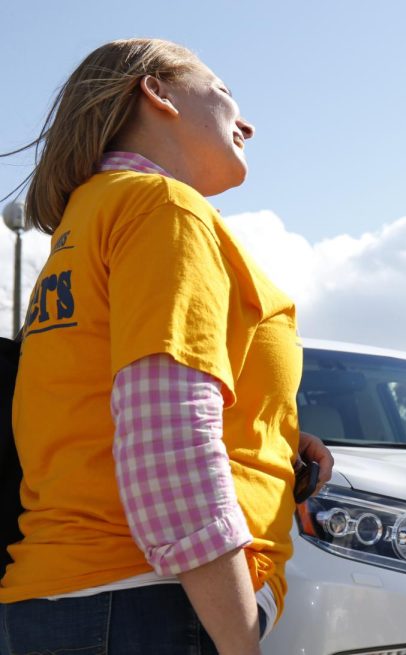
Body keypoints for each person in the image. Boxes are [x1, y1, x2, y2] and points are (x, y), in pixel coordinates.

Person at [0, 39, 333, 655]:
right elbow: (167, 441)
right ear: (156, 92)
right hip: (149, 604)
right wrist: (238, 642)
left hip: (71, 600)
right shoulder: (163, 208)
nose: (249, 122)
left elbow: (92, 408)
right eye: (226, 91)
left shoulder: (90, 218)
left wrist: (271, 430)